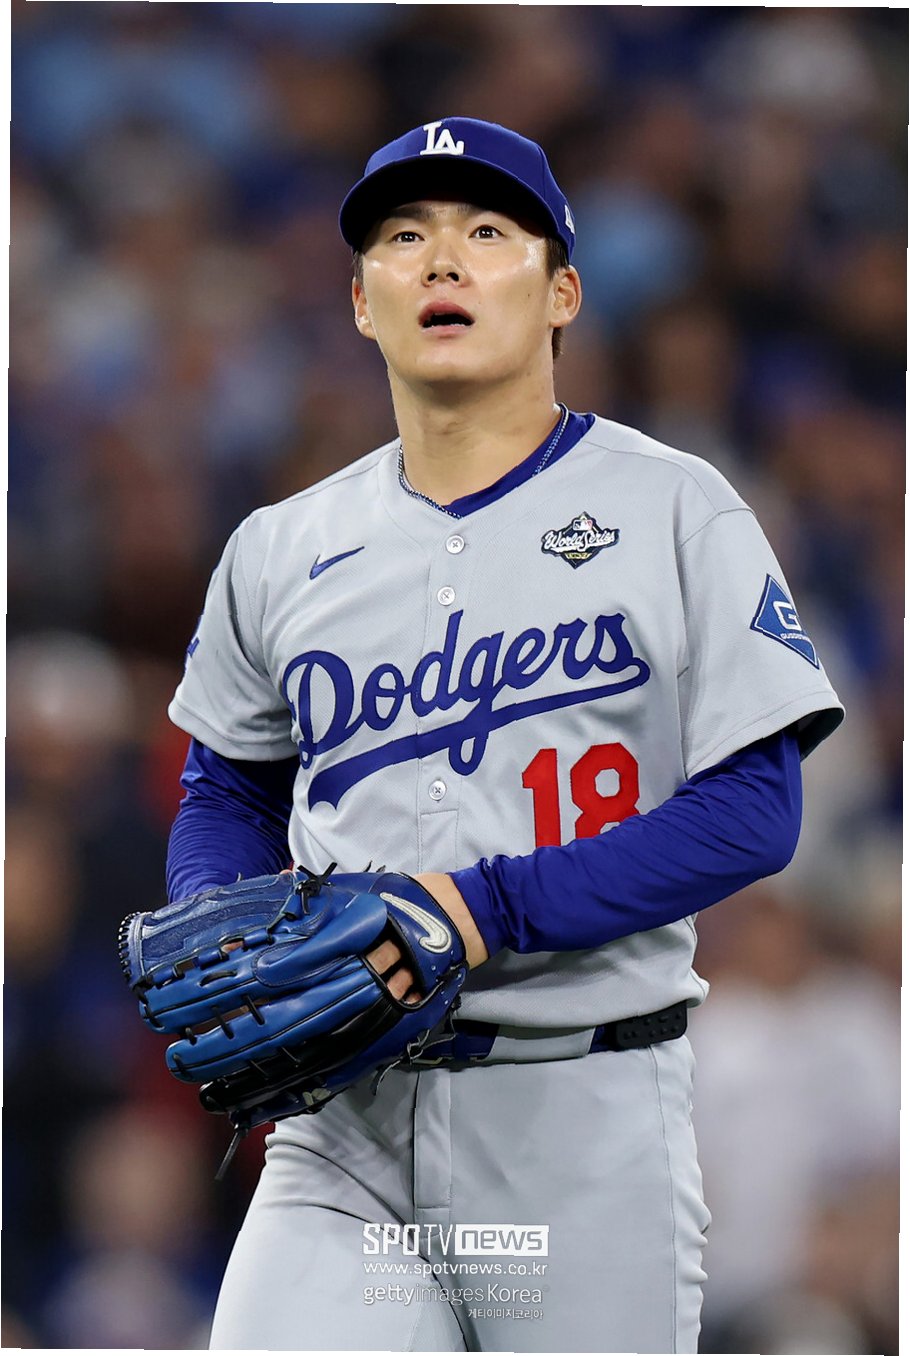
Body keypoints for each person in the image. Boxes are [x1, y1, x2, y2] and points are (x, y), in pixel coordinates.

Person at [165, 117, 844, 1353]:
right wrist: (222, 918)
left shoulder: (674, 508)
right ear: (360, 301)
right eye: (402, 238)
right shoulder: (279, 546)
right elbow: (227, 788)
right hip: (343, 1125)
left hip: (577, 1115)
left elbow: (754, 812)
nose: (441, 260)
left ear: (561, 293)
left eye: (486, 232)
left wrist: (483, 909)